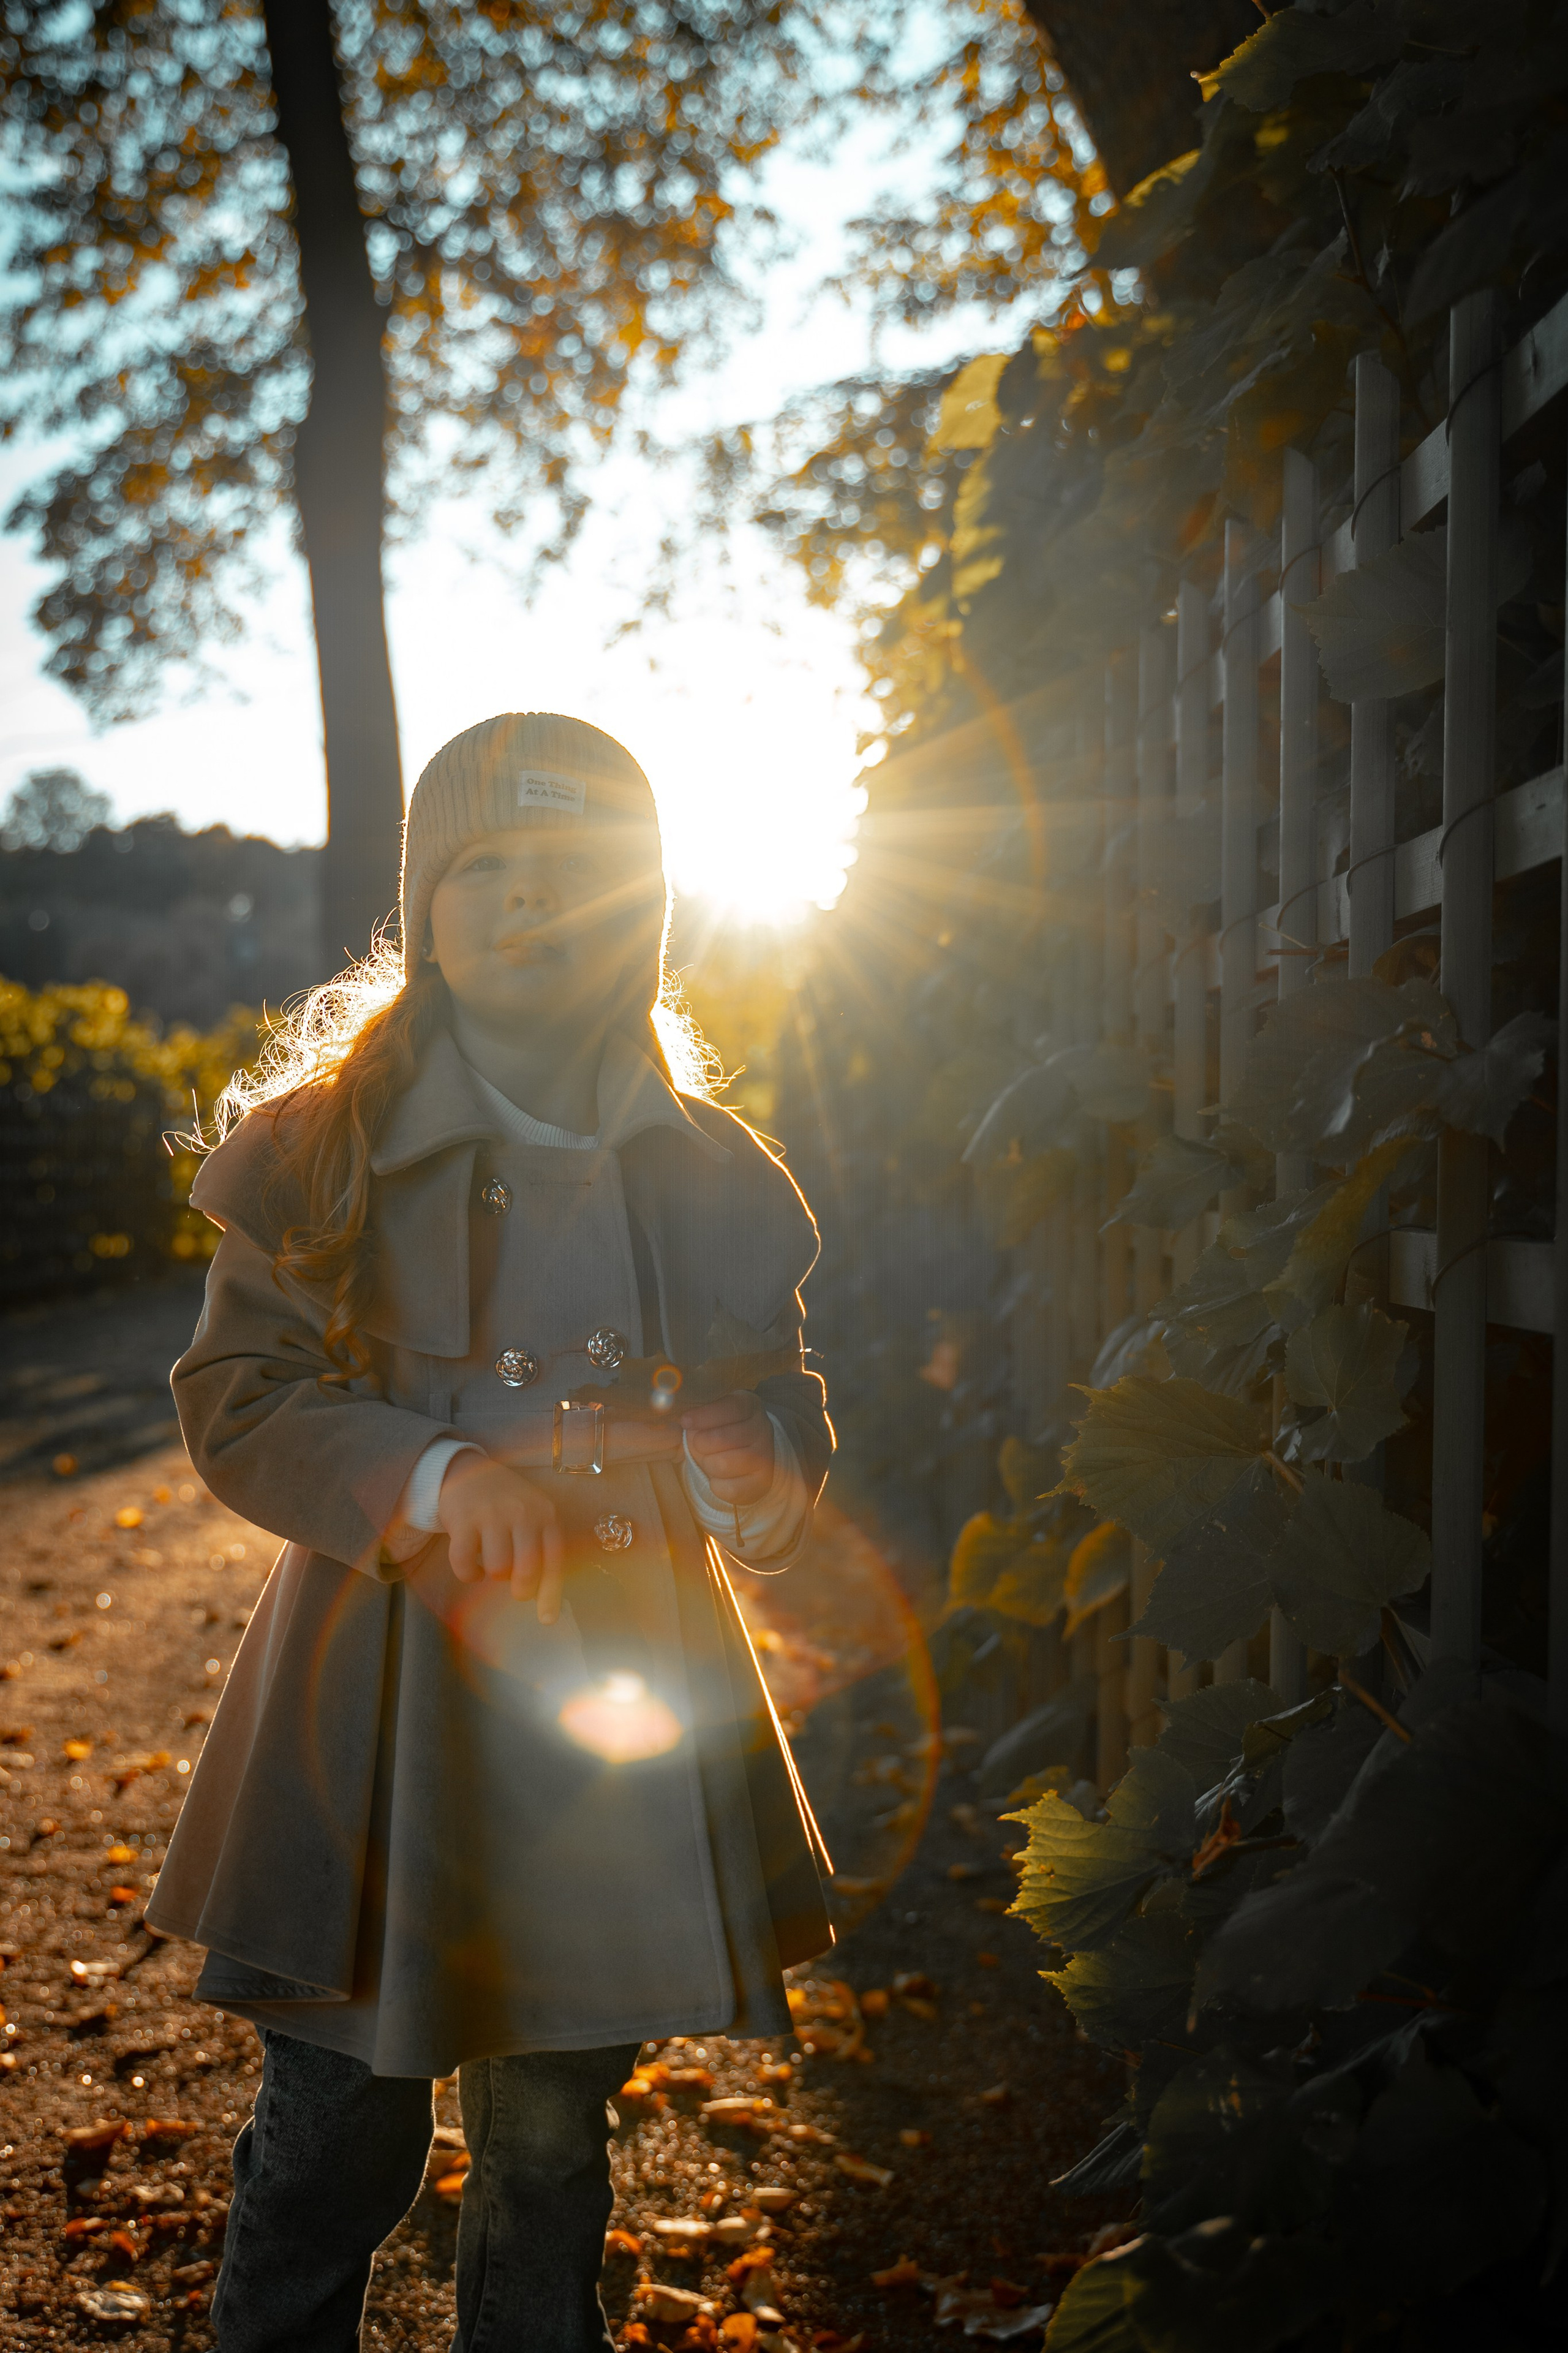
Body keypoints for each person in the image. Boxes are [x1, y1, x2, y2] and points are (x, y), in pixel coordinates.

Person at [146, 713, 835, 2353]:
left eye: (580, 876)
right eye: (489, 870)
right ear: (425, 902)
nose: (534, 902)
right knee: (333, 2129)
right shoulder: (326, 1141)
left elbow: (782, 1390)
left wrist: (761, 1474)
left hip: (606, 1714)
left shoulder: (712, 1172)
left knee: (548, 2139)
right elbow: (238, 1397)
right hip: (371, 1713)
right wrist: (439, 1479)